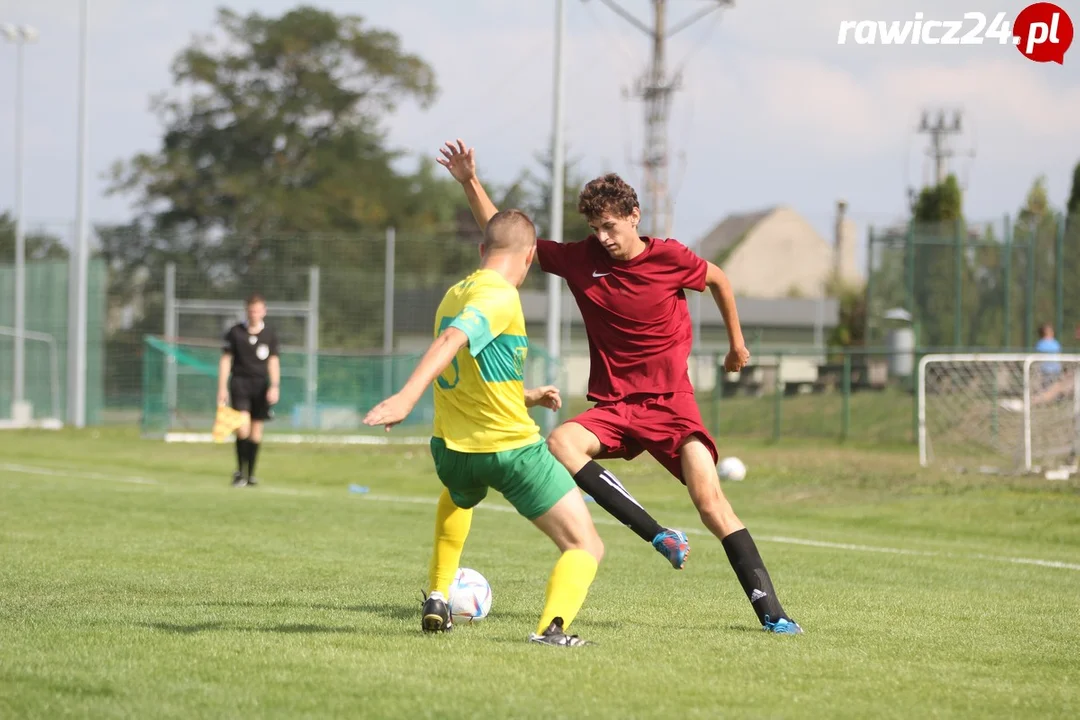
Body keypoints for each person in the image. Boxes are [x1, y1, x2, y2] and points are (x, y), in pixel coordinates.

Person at [438, 139, 802, 635]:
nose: (603, 237)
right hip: (614, 406)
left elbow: (719, 279)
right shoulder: (580, 259)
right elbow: (507, 238)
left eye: (610, 225)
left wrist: (736, 345)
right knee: (562, 441)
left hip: (673, 405)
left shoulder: (670, 258)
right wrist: (469, 182)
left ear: (633, 216)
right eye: (595, 228)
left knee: (712, 503)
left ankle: (773, 615)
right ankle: (658, 536)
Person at [363, 209, 604, 647]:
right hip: (510, 451)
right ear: (530, 256)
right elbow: (452, 340)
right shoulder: (499, 296)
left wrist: (526, 395)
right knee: (585, 545)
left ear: (481, 250)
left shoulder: (454, 292)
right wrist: (406, 396)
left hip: (453, 454)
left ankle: (438, 594)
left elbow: (475, 370)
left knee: (458, 497)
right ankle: (553, 630)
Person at [217, 293, 280, 487]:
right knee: (242, 428)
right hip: (240, 384)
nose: (254, 314)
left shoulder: (269, 335)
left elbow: (273, 361)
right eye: (251, 310)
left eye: (258, 310)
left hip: (261, 386)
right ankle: (240, 471)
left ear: (264, 311)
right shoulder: (235, 333)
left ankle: (250, 474)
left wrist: (275, 386)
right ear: (247, 311)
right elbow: (226, 360)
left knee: (256, 433)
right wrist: (222, 387)